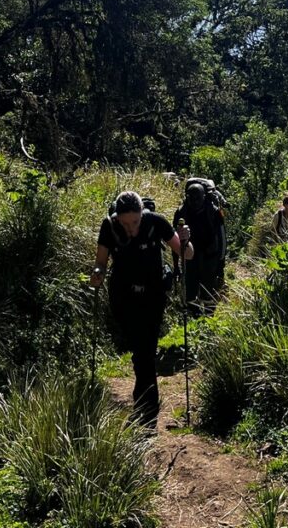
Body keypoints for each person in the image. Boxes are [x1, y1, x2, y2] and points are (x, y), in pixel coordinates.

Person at [90, 190, 193, 430]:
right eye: (125, 223)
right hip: (123, 298)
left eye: (135, 222)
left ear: (141, 214)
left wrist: (186, 239)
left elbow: (186, 254)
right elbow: (100, 263)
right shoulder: (109, 227)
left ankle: (147, 409)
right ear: (117, 217)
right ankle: (147, 406)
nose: (131, 229)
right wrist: (97, 275)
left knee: (145, 351)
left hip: (153, 296)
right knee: (141, 350)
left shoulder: (156, 222)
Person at [173, 177, 225, 316]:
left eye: (198, 198)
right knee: (191, 288)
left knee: (208, 288)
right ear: (187, 197)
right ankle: (195, 316)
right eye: (191, 198)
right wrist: (176, 266)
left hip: (210, 255)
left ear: (204, 196)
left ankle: (209, 316)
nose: (195, 201)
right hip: (190, 257)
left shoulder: (214, 212)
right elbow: (175, 241)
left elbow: (221, 239)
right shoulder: (181, 213)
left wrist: (221, 263)